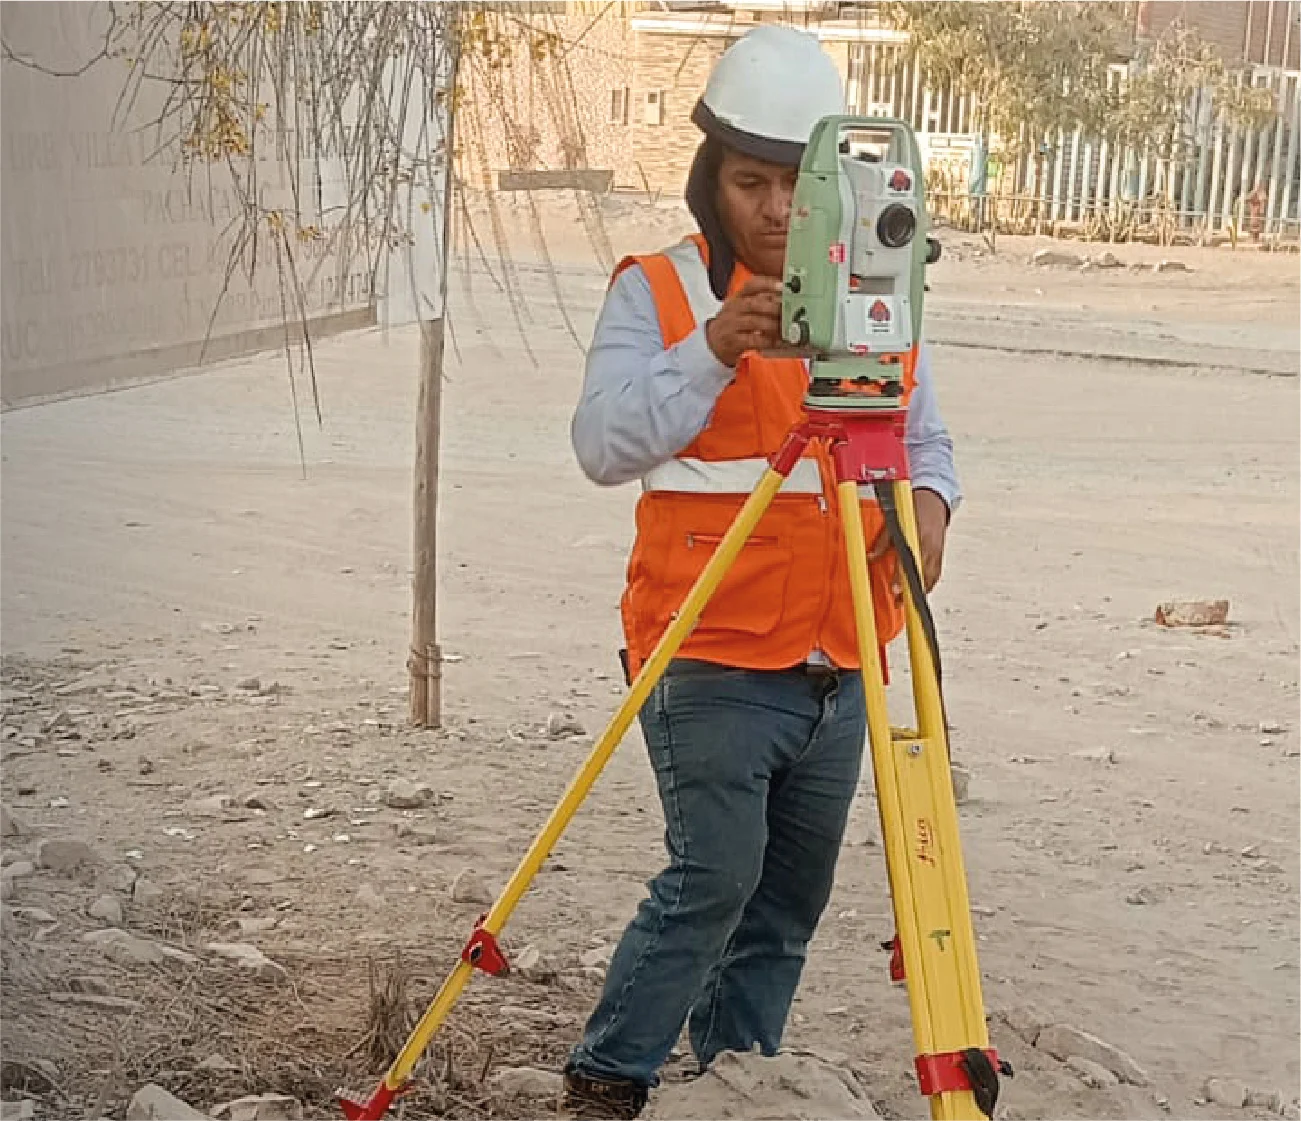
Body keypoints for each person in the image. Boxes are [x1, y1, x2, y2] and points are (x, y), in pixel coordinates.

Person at [560, 24, 961, 1120]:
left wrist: (929, 504)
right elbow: (601, 445)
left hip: (842, 654)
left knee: (788, 896)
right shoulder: (661, 290)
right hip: (708, 648)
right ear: (709, 178)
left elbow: (923, 434)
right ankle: (611, 1071)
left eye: (797, 183)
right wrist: (711, 351)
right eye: (750, 182)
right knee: (715, 874)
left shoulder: (877, 292)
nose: (778, 210)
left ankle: (736, 1075)